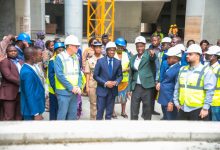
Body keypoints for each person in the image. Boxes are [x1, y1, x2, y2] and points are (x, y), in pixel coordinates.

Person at [173, 44, 216, 121]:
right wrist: (176, 102)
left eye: (190, 54)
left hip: (198, 110)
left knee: (198, 133)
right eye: (187, 54)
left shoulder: (206, 71)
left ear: (198, 56)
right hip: (182, 108)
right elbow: (177, 87)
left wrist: (205, 108)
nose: (187, 56)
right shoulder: (182, 69)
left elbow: (210, 91)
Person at [54, 35, 82, 120]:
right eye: (76, 46)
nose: (78, 47)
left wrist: (79, 86)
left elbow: (79, 73)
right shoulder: (60, 57)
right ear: (69, 46)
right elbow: (60, 75)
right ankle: (60, 133)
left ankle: (71, 133)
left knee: (73, 116)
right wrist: (71, 87)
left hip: (74, 91)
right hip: (63, 92)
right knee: (62, 115)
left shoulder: (76, 57)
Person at [128, 36, 156, 120]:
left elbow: (153, 58)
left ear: (145, 46)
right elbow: (131, 74)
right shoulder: (133, 58)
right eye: (138, 46)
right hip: (136, 87)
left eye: (141, 46)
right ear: (136, 47)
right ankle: (134, 128)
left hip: (147, 87)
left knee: (147, 110)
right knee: (134, 110)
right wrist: (129, 89)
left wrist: (152, 54)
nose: (139, 48)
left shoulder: (149, 55)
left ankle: (146, 128)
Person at [93, 42, 122, 120]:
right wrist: (105, 83)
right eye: (110, 50)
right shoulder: (100, 61)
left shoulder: (118, 62)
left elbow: (120, 76)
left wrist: (116, 82)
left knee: (109, 114)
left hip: (112, 91)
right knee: (100, 113)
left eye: (113, 50)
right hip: (102, 91)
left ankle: (107, 131)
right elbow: (95, 76)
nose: (112, 52)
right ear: (106, 51)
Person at [157, 46, 182, 120]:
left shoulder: (178, 69)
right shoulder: (171, 67)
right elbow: (167, 80)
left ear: (176, 58)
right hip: (164, 98)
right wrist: (160, 84)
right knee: (166, 117)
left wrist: (171, 102)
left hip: (169, 99)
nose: (167, 59)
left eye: (169, 57)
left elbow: (176, 87)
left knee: (170, 120)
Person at [20, 47, 45, 120]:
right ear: (33, 57)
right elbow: (29, 94)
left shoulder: (32, 67)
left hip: (35, 107)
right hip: (30, 111)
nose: (41, 56)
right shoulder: (27, 72)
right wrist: (36, 113)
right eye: (39, 55)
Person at [0, 45, 23, 120]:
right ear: (7, 53)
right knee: (8, 116)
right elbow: (8, 76)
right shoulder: (4, 62)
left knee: (19, 116)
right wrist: (21, 82)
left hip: (20, 92)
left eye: (15, 51)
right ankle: (6, 131)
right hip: (9, 93)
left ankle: (18, 131)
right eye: (11, 51)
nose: (13, 52)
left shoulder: (20, 62)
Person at [84, 41, 103, 120]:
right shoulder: (89, 60)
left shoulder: (105, 59)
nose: (98, 49)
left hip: (102, 85)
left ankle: (100, 120)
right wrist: (87, 86)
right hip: (93, 84)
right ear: (93, 48)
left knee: (101, 104)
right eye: (96, 47)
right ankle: (93, 120)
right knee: (93, 104)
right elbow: (88, 74)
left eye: (99, 47)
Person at [113, 37, 130, 119]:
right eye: (118, 46)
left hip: (125, 80)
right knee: (113, 96)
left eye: (121, 46)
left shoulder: (126, 55)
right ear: (115, 45)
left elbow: (130, 66)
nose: (120, 48)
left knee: (124, 97)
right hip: (115, 80)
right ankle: (113, 112)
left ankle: (123, 111)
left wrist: (127, 69)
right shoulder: (112, 54)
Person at [47, 42, 65, 120]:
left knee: (62, 110)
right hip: (54, 91)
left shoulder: (65, 59)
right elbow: (51, 77)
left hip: (64, 89)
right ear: (55, 51)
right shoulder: (52, 61)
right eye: (59, 50)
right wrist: (55, 90)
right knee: (54, 110)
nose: (61, 52)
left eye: (62, 50)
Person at [205, 45, 220, 121]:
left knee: (216, 126)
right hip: (206, 101)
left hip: (216, 102)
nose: (206, 56)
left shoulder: (218, 68)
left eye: (209, 55)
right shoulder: (206, 67)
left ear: (215, 56)